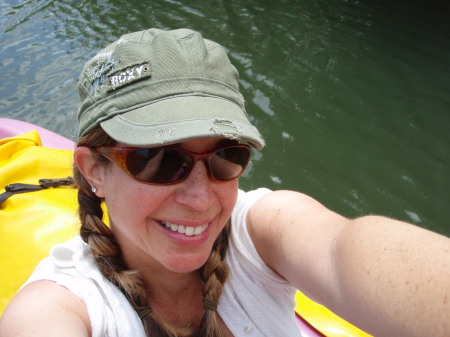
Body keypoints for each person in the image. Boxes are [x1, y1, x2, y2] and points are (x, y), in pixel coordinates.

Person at [0, 28, 449, 337]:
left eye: (225, 157)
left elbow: (343, 250)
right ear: (95, 169)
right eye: (158, 159)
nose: (200, 199)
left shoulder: (262, 230)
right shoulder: (62, 305)